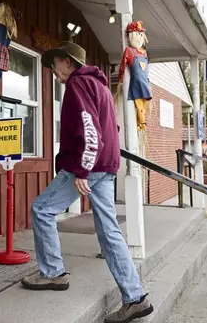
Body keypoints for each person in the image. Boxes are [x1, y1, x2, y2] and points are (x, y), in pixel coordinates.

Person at [20, 42, 153, 322]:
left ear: (68, 62)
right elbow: (111, 129)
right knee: (109, 231)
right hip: (106, 166)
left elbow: (90, 128)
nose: (53, 71)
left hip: (86, 166)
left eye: (55, 64)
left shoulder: (78, 85)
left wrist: (83, 168)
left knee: (42, 210)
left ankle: (52, 273)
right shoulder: (101, 87)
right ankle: (135, 297)